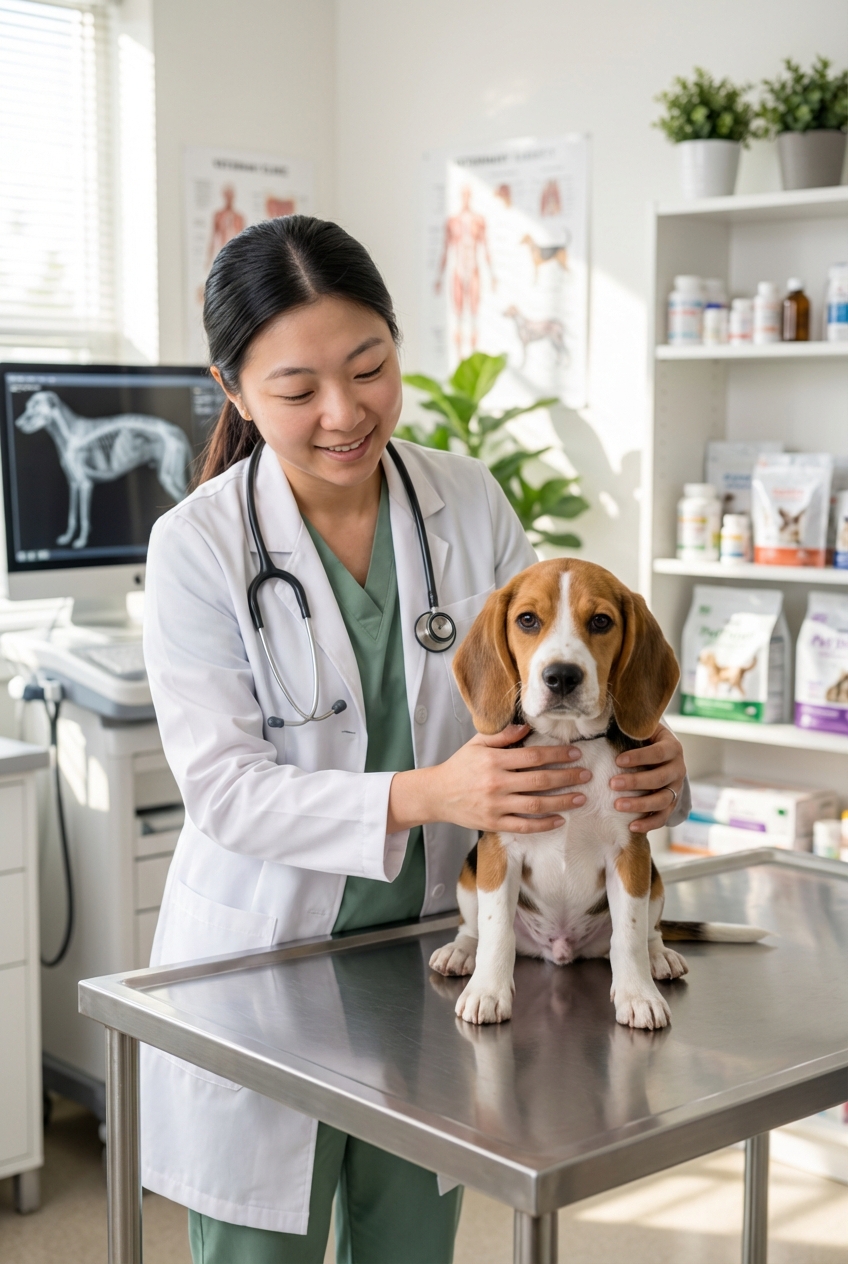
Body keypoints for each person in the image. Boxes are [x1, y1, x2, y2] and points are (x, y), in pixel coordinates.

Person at [140, 215, 688, 1264]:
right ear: (232, 387)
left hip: (426, 962)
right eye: (297, 390)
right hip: (270, 961)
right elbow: (224, 791)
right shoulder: (197, 547)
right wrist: (427, 793)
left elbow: (546, 684)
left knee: (408, 1246)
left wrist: (646, 754)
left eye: (370, 367)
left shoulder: (464, 499)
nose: (344, 413)